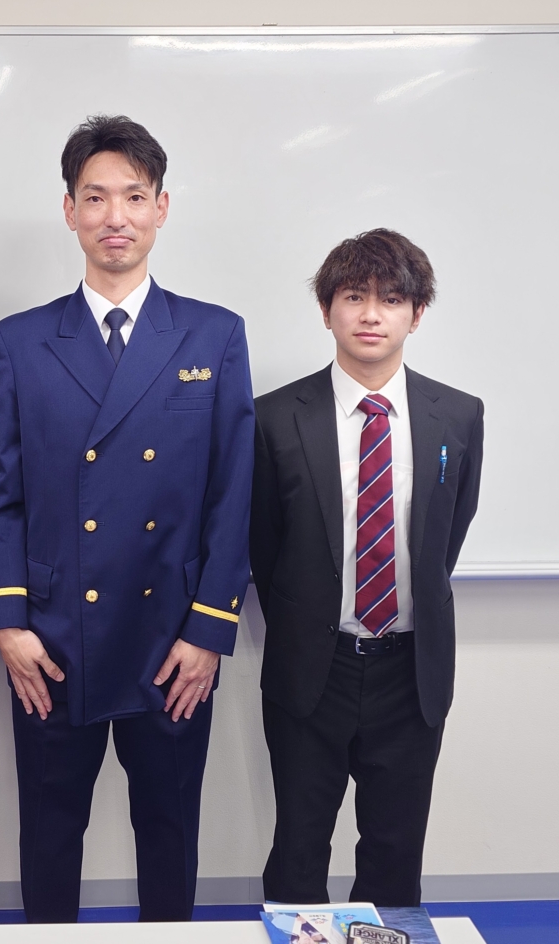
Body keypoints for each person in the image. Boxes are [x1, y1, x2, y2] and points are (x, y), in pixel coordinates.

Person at [0, 115, 254, 922]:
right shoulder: (22, 340)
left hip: (171, 640)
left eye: (134, 196)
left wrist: (208, 631)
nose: (115, 216)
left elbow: (232, 494)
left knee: (169, 831)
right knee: (49, 834)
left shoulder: (212, 334)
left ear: (162, 207)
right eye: (95, 197)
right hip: (52, 641)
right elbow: (0, 496)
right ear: (69, 211)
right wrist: (8, 625)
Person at [250, 229, 484, 906]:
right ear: (327, 311)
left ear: (418, 313)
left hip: (411, 672)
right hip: (311, 669)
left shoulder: (458, 415)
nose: (372, 314)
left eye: (392, 299)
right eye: (354, 297)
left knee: (394, 853)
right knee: (298, 849)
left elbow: (447, 536)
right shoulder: (273, 418)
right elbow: (264, 546)